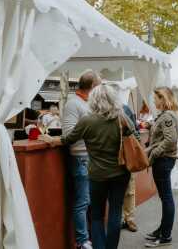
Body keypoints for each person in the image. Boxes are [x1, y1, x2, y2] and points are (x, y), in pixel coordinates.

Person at [55, 84, 132, 249]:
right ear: (113, 99)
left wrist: (50, 139)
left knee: (97, 216)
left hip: (97, 175)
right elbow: (136, 137)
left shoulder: (87, 120)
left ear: (93, 100)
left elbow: (68, 139)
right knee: (115, 211)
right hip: (121, 173)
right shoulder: (122, 118)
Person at [62, 70, 101, 249]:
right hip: (81, 158)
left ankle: (90, 238)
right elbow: (68, 134)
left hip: (92, 158)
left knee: (91, 201)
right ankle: (82, 241)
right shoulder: (73, 103)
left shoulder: (89, 103)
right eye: (99, 86)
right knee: (82, 202)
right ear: (92, 87)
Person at [144, 88, 178, 247]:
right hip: (163, 159)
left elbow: (170, 140)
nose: (153, 101)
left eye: (156, 98)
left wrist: (155, 153)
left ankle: (165, 236)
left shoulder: (168, 116)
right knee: (165, 197)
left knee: (166, 198)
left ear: (163, 98)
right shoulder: (165, 115)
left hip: (163, 160)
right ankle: (162, 230)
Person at [119, 101, 139, 233]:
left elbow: (135, 131)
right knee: (116, 190)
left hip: (126, 154)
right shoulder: (99, 111)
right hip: (112, 156)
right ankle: (119, 218)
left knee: (130, 189)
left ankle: (129, 218)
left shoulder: (124, 108)